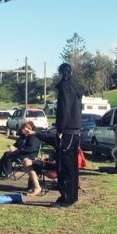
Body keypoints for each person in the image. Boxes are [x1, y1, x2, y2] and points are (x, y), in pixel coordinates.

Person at [25, 62, 83, 208]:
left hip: (67, 131)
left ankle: (66, 198)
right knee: (73, 166)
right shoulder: (76, 87)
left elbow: (63, 110)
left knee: (64, 166)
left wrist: (60, 130)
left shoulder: (64, 87)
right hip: (76, 131)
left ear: (61, 73)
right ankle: (72, 196)